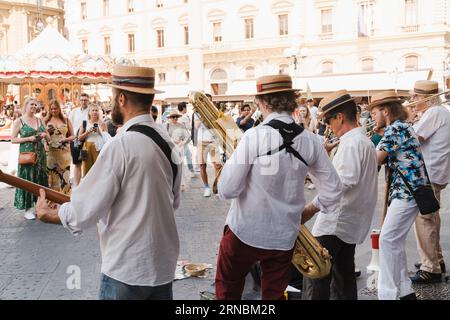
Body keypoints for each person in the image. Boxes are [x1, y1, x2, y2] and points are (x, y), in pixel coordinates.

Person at [35, 65, 182, 300]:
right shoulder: (169, 142)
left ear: (121, 99)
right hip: (162, 268)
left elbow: (84, 211)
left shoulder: (120, 145)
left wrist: (49, 214)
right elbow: (171, 202)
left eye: (113, 97)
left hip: (126, 270)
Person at [215, 74, 343, 300]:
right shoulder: (311, 141)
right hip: (284, 236)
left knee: (228, 291)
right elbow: (334, 191)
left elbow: (227, 190)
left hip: (244, 231)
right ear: (292, 101)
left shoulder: (254, 136)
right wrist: (309, 210)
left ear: (261, 102)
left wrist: (228, 167)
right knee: (273, 296)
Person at [301, 90, 378, 300]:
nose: (327, 125)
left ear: (340, 117)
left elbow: (342, 183)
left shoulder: (352, 143)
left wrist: (310, 209)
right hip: (349, 220)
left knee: (316, 273)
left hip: (336, 220)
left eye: (328, 120)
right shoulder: (362, 141)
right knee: (343, 277)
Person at [368, 90, 428, 300]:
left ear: (385, 111)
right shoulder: (400, 127)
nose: (372, 117)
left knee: (387, 240)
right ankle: (404, 291)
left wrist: (375, 136)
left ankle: (388, 294)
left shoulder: (396, 128)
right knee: (394, 240)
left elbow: (376, 158)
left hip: (406, 192)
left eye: (374, 112)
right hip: (409, 191)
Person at [407, 80, 450, 284]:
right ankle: (435, 259)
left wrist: (408, 118)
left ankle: (430, 267)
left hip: (429, 174)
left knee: (424, 219)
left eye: (416, 97)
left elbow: (413, 138)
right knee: (431, 218)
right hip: (433, 173)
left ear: (427, 99)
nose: (412, 100)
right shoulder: (436, 113)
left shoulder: (434, 113)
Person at [11, 98, 50, 220]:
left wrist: (45, 135)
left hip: (41, 155)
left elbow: (48, 137)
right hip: (27, 154)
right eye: (31, 104)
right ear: (26, 105)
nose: (34, 106)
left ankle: (39, 207)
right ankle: (28, 209)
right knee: (28, 179)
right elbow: (13, 139)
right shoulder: (20, 121)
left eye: (35, 104)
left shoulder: (40, 120)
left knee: (40, 179)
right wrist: (29, 139)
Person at [194, 93, 222, 197]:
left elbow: (219, 125)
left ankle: (218, 187)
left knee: (217, 165)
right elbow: (197, 126)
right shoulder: (197, 113)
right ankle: (206, 187)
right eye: (206, 101)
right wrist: (203, 114)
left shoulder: (215, 112)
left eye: (209, 101)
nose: (207, 103)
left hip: (213, 140)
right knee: (202, 165)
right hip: (202, 141)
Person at [44, 99, 75, 195]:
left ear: (59, 109)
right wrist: (45, 142)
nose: (53, 110)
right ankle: (53, 202)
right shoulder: (45, 121)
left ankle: (65, 200)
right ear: (49, 109)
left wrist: (65, 140)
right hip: (51, 154)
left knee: (65, 178)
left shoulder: (66, 120)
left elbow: (73, 136)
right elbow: (42, 136)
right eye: (51, 109)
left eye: (55, 108)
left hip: (64, 154)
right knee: (52, 179)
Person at [77, 104, 109, 177]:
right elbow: (79, 138)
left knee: (99, 170)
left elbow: (107, 139)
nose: (94, 112)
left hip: (99, 148)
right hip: (87, 148)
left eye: (96, 110)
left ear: (99, 112)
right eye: (93, 110)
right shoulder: (85, 123)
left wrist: (99, 131)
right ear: (89, 112)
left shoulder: (103, 123)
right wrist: (88, 132)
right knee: (87, 171)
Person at [166, 109, 191, 190]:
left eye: (176, 117)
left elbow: (188, 137)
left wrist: (182, 143)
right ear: (170, 118)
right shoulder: (166, 126)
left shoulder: (181, 126)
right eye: (173, 117)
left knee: (180, 166)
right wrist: (172, 141)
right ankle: (172, 183)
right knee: (170, 166)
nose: (175, 118)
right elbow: (165, 137)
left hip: (180, 148)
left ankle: (182, 184)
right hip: (170, 148)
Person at [69, 93, 89, 187]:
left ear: (88, 101)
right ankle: (77, 186)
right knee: (77, 163)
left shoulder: (91, 111)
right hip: (75, 141)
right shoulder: (74, 111)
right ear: (79, 101)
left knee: (88, 163)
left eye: (85, 100)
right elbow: (69, 125)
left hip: (87, 140)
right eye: (82, 100)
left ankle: (87, 185)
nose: (83, 102)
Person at [177, 102, 195, 174]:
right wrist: (190, 121)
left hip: (178, 138)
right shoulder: (184, 117)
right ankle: (190, 170)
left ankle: (189, 170)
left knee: (186, 154)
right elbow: (189, 127)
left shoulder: (177, 117)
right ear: (184, 108)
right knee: (187, 155)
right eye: (186, 107)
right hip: (183, 139)